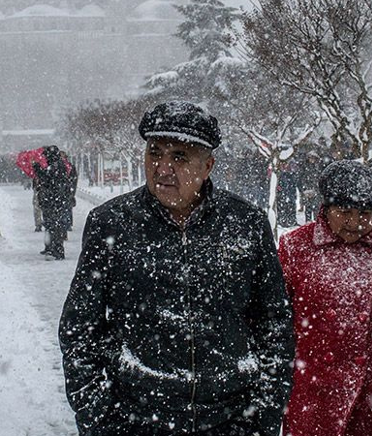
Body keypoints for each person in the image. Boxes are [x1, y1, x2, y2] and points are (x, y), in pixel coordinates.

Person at [59, 101, 295, 436]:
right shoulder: (111, 224)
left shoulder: (246, 223)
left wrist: (264, 418)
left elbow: (275, 326)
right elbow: (79, 329)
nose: (163, 168)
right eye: (155, 153)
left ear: (208, 165)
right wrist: (99, 419)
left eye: (179, 157)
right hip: (136, 419)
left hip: (230, 419)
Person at [278, 160, 372, 436]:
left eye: (365, 213)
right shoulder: (295, 246)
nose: (354, 223)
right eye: (345, 211)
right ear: (326, 208)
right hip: (314, 391)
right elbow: (276, 317)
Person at [35, 145, 71, 260]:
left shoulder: (56, 166)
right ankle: (52, 248)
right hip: (53, 201)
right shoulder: (55, 165)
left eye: (46, 155)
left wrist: (38, 170)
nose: (45, 158)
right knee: (52, 225)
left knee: (54, 226)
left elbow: (49, 181)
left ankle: (57, 249)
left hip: (54, 202)